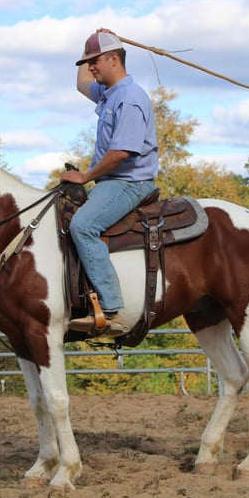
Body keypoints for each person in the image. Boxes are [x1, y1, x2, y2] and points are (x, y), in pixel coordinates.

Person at [63, 29, 159, 336]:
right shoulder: (109, 93)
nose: (91, 68)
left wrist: (85, 176)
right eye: (88, 61)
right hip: (112, 181)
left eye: (95, 61)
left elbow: (121, 152)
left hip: (128, 182)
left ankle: (112, 311)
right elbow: (80, 83)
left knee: (82, 226)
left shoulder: (130, 99)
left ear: (114, 59)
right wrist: (90, 41)